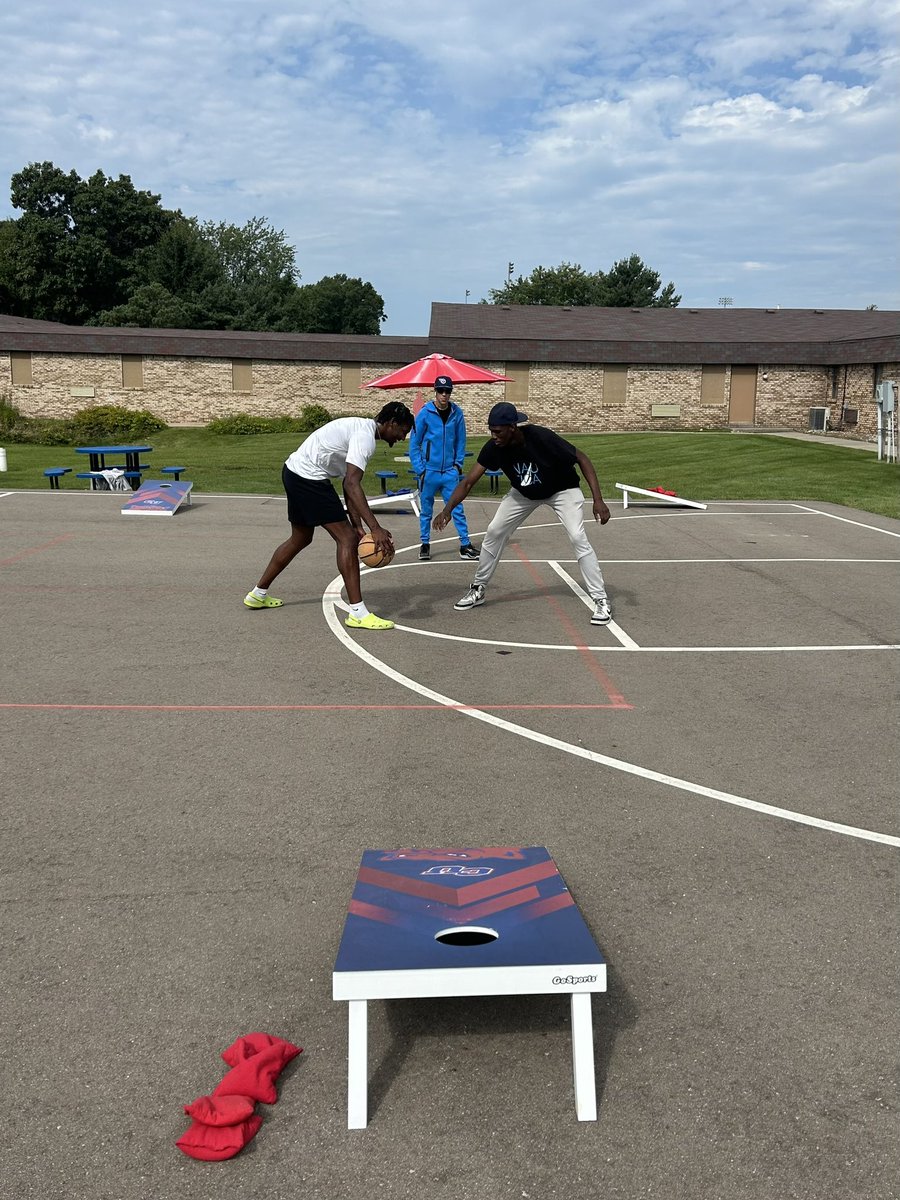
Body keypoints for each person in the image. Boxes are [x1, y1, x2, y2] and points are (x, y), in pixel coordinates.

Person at [432, 402, 613, 625]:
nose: (493, 436)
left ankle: (601, 600)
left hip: (562, 490)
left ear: (512, 427)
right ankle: (478, 588)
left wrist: (598, 500)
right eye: (491, 431)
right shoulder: (493, 448)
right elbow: (468, 482)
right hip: (524, 493)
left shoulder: (541, 438)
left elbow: (582, 458)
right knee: (494, 531)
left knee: (577, 537)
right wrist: (447, 510)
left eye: (497, 431)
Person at [243, 401, 415, 630]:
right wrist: (375, 528)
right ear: (392, 423)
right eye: (403, 431)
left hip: (293, 472)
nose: (402, 438)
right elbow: (352, 483)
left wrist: (358, 525)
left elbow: (348, 484)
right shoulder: (364, 437)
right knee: (347, 540)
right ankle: (358, 613)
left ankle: (258, 594)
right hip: (308, 478)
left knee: (301, 538)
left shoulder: (361, 430)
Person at [409, 375, 479, 562]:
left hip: (449, 471)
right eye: (441, 391)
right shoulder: (425, 413)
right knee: (426, 510)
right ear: (435, 391)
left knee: (457, 508)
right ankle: (425, 544)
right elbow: (414, 443)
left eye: (448, 391)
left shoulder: (457, 413)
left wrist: (458, 465)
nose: (444, 394)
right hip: (429, 472)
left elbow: (461, 441)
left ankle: (465, 545)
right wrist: (420, 469)